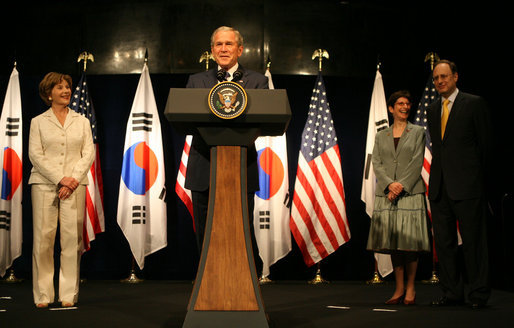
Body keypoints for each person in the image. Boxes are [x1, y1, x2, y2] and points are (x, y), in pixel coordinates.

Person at [184, 26, 268, 266]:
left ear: (239, 49)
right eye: (218, 44)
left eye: (228, 44)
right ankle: (207, 278)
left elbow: (263, 120)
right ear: (211, 50)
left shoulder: (258, 82)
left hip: (241, 165)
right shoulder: (196, 81)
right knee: (205, 229)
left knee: (240, 228)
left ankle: (244, 279)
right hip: (204, 165)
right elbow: (187, 119)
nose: (223, 49)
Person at [427, 60, 492, 309]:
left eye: (444, 76)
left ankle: (478, 293)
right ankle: (453, 292)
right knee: (444, 244)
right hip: (440, 187)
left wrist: (478, 181)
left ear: (455, 77)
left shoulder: (473, 104)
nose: (440, 81)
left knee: (474, 243)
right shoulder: (433, 109)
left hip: (467, 186)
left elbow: (485, 147)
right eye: (436, 78)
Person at [29, 72, 95, 308]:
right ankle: (43, 296)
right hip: (44, 185)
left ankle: (68, 295)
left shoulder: (82, 121)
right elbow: (35, 155)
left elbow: (88, 153)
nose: (66, 91)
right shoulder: (38, 122)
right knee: (43, 241)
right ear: (49, 94)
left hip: (75, 187)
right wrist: (60, 179)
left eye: (67, 87)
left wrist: (72, 180)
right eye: (60, 88)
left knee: (70, 241)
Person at [367, 90, 430, 305]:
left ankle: (411, 288)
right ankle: (399, 287)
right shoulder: (381, 135)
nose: (404, 107)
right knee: (394, 244)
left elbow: (417, 161)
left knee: (409, 244)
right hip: (387, 194)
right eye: (400, 104)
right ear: (391, 109)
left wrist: (400, 186)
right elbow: (377, 162)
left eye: (407, 103)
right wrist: (389, 185)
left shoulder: (418, 131)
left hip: (410, 193)